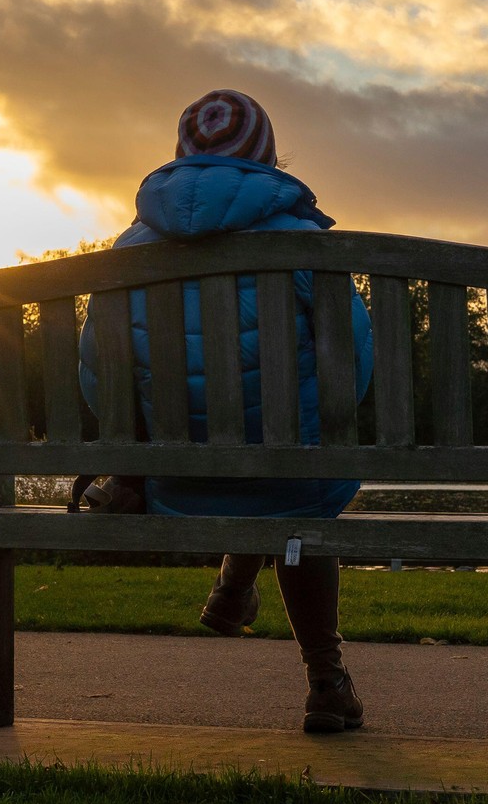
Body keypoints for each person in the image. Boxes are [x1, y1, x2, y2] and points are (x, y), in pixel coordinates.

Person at [77, 88, 374, 733]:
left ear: (181, 157)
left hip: (173, 478)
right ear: (266, 159)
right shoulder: (303, 242)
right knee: (294, 491)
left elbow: (100, 379)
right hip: (289, 478)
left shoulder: (127, 251)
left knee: (265, 471)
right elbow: (351, 367)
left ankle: (234, 589)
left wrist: (138, 449)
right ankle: (325, 680)